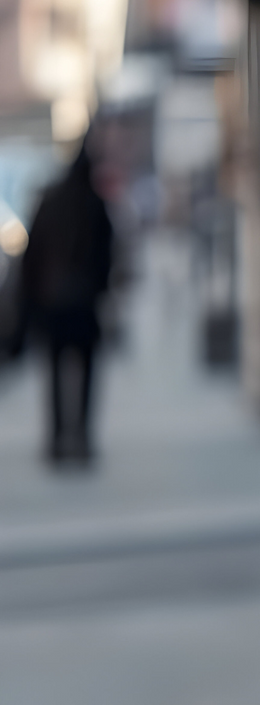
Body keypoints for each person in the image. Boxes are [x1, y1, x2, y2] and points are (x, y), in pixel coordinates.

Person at [22, 136, 113, 463]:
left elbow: (31, 258)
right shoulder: (95, 204)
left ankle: (58, 438)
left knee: (55, 374)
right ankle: (82, 436)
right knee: (86, 373)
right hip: (83, 305)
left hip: (54, 304)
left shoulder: (51, 200)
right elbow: (106, 259)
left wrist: (31, 301)